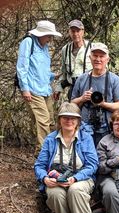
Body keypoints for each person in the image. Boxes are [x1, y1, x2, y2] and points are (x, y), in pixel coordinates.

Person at [34, 102, 98, 213]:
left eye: (73, 118)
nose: (69, 121)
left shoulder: (85, 138)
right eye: (65, 118)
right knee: (54, 194)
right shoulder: (51, 139)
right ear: (59, 120)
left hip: (81, 178)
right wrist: (44, 178)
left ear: (78, 121)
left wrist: (75, 179)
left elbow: (92, 165)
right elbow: (39, 165)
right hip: (57, 180)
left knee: (75, 191)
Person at [16, 20, 62, 154]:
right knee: (43, 121)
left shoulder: (45, 47)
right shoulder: (28, 42)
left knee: (51, 122)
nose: (50, 39)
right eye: (48, 35)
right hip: (32, 90)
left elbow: (41, 69)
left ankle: (51, 152)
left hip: (45, 89)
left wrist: (54, 76)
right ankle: (42, 154)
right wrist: (25, 88)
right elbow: (22, 67)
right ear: (41, 34)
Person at [71, 42, 119, 146]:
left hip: (107, 128)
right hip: (85, 126)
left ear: (107, 59)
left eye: (101, 56)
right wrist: (82, 98)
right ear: (90, 57)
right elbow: (72, 105)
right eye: (95, 56)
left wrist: (102, 104)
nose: (98, 59)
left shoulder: (114, 80)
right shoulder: (82, 79)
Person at [54, 19, 92, 102]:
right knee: (73, 112)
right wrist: (58, 88)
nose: (75, 34)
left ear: (83, 32)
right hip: (73, 89)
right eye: (73, 31)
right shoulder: (65, 49)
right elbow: (64, 72)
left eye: (78, 31)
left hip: (89, 88)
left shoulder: (91, 47)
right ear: (69, 32)